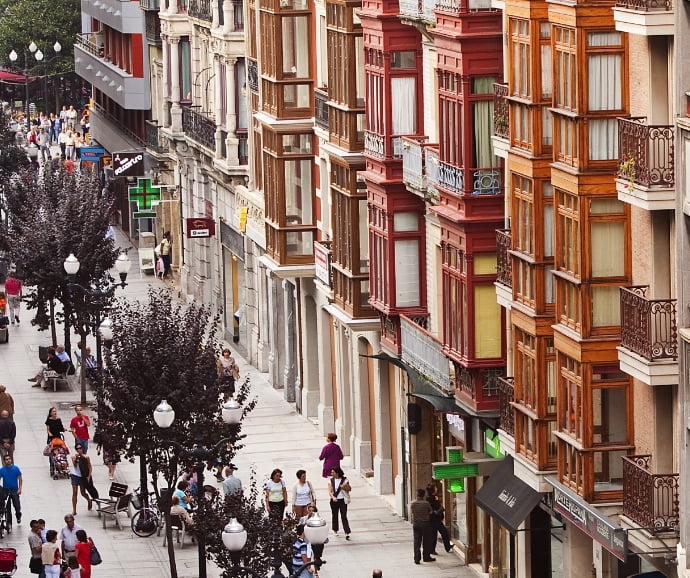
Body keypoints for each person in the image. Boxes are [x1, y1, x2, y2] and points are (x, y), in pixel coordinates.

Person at [409, 488, 435, 564]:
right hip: (425, 523)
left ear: (417, 495)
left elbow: (412, 512)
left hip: (416, 524)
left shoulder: (413, 503)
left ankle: (417, 558)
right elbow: (431, 512)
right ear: (423, 495)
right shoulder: (426, 503)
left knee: (417, 542)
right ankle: (426, 557)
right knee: (426, 541)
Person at [427, 482, 452, 553]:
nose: (437, 488)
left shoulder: (434, 497)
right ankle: (433, 549)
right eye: (435, 488)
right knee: (435, 534)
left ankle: (447, 546)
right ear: (433, 490)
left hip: (437, 519)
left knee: (442, 532)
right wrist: (440, 509)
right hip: (434, 519)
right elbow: (432, 509)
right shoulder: (430, 499)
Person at [327, 467, 351, 539]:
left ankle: (347, 532)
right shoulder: (331, 480)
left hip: (342, 500)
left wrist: (344, 487)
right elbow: (330, 491)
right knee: (335, 515)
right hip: (334, 500)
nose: (331, 474)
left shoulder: (345, 480)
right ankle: (335, 530)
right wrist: (333, 497)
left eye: (333, 472)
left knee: (344, 516)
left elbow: (349, 489)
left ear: (337, 473)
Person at [70, 444, 93, 516]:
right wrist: (76, 459)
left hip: (82, 477)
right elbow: (75, 465)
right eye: (77, 449)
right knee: (75, 492)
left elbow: (89, 467)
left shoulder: (86, 457)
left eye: (80, 448)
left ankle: (89, 500)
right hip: (75, 475)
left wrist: (88, 476)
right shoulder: (74, 457)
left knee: (83, 492)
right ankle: (74, 510)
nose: (79, 450)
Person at [0, 455, 22, 523]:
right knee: (7, 508)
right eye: (6, 459)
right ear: (4, 461)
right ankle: (9, 523)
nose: (8, 460)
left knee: (17, 506)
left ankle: (18, 515)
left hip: (14, 489)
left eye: (9, 459)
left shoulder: (15, 468)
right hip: (6, 490)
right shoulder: (2, 470)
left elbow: (20, 478)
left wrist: (20, 488)